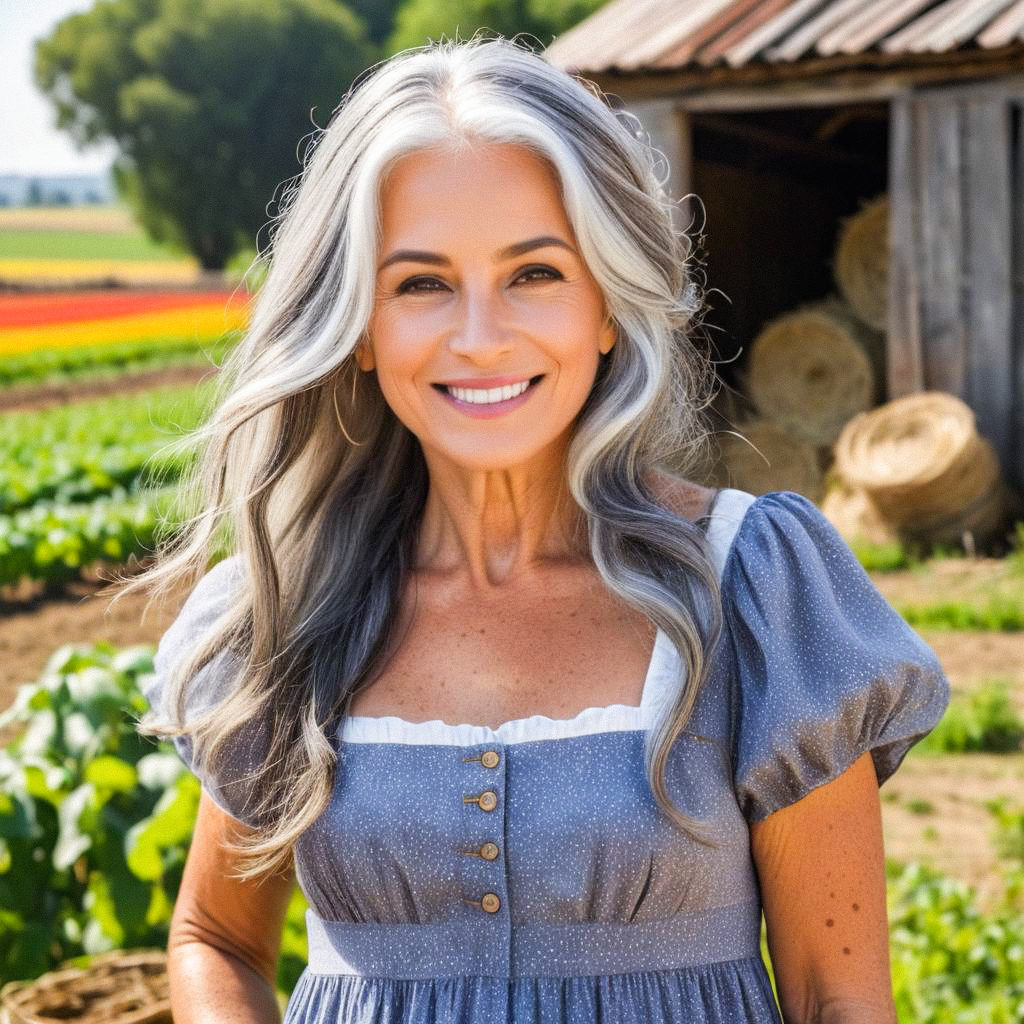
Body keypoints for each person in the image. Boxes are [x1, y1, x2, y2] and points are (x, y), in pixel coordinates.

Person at [130, 34, 950, 1024]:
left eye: (535, 273)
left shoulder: (754, 587)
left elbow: (837, 996)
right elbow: (215, 940)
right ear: (357, 326)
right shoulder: (289, 610)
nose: (480, 335)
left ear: (607, 303)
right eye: (420, 282)